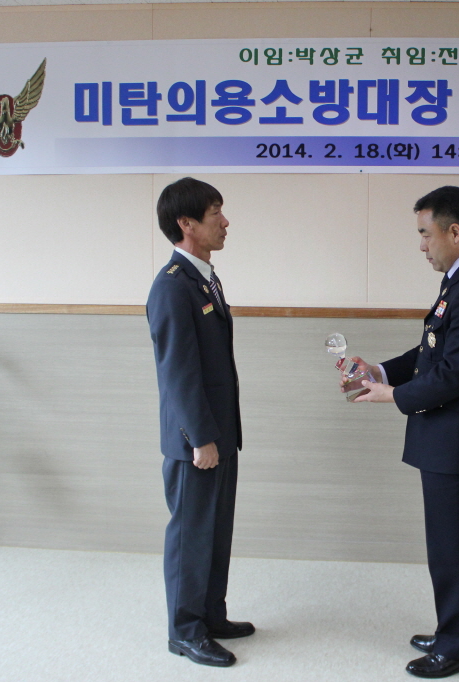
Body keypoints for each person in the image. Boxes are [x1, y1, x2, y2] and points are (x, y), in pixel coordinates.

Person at [344, 186, 459, 678]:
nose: (421, 246)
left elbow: (456, 373)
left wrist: (391, 395)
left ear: (454, 231)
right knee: (447, 545)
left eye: (425, 234)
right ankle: (452, 631)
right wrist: (378, 371)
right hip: (447, 436)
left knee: (454, 546)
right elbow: (431, 352)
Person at [146, 177, 253, 668]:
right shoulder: (171, 286)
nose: (225, 222)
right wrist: (202, 437)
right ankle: (185, 631)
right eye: (215, 214)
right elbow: (178, 372)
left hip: (219, 433)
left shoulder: (205, 278)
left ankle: (211, 614)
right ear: (186, 223)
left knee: (215, 530)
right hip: (197, 441)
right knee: (191, 534)